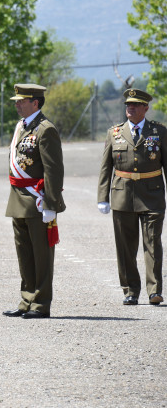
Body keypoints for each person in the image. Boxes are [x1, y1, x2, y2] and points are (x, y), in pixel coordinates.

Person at [98, 88, 165, 306]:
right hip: (122, 195)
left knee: (152, 242)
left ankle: (154, 290)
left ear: (146, 108)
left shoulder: (159, 132)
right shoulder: (114, 132)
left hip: (152, 195)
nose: (130, 107)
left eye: (136, 104)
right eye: (128, 104)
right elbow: (105, 167)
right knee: (125, 246)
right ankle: (130, 290)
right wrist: (102, 196)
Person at [3, 83, 65, 319]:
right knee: (25, 254)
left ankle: (40, 303)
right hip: (18, 200)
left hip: (38, 202)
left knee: (41, 255)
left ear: (35, 103)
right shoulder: (21, 126)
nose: (17, 104)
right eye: (16, 100)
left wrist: (50, 203)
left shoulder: (45, 129)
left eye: (21, 100)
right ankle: (26, 299)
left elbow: (53, 170)